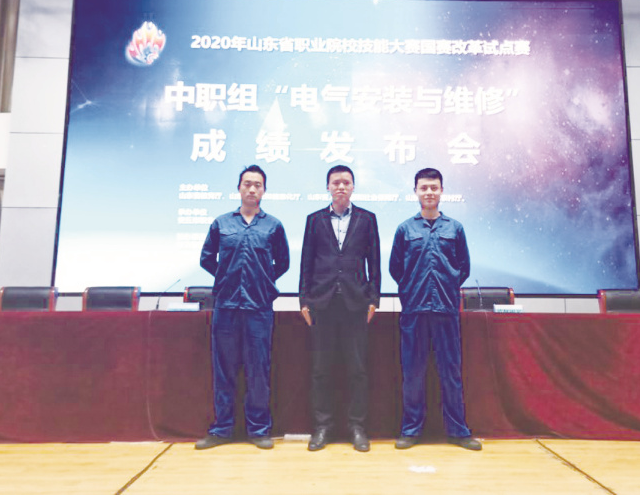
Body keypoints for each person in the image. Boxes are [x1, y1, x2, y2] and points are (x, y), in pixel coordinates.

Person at [195, 165, 290, 450]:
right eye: (247, 184)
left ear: (264, 190)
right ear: (239, 188)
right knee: (223, 370)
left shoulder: (273, 226)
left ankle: (258, 429)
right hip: (226, 306)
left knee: (258, 370)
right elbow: (207, 258)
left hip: (259, 307)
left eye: (257, 185)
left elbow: (283, 263)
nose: (252, 189)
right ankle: (222, 429)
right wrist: (226, 279)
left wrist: (261, 281)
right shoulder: (222, 223)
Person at [389, 168, 482, 451]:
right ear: (416, 191)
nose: (429, 192)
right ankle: (411, 430)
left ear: (442, 191)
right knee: (413, 373)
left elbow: (463, 267)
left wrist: (447, 287)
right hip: (414, 310)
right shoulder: (405, 229)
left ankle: (458, 431)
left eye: (434, 187)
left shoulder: (455, 228)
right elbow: (396, 268)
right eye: (424, 187)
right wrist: (411, 290)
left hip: (445, 309)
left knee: (450, 372)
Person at [299, 165, 381, 452]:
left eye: (346, 182)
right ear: (328, 187)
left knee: (357, 369)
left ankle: (357, 427)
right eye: (336, 182)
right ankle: (323, 427)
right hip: (322, 304)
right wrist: (303, 300)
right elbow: (306, 261)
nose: (341, 187)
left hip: (355, 304)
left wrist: (374, 299)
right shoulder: (314, 220)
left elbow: (374, 262)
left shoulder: (367, 219)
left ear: (353, 186)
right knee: (322, 369)